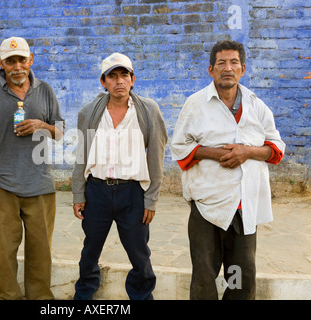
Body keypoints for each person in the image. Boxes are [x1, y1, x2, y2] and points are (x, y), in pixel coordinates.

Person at [170, 40, 286, 300]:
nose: (227, 68)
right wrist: (215, 152)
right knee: (204, 277)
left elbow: (277, 147)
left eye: (234, 62)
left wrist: (247, 152)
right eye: (221, 63)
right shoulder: (196, 104)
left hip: (244, 210)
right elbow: (179, 146)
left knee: (239, 278)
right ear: (211, 69)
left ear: (242, 69)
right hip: (207, 207)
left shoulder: (257, 106)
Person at [0, 36, 64, 300]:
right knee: (3, 252)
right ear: (1, 63)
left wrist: (42, 125)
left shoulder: (45, 91)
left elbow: (60, 131)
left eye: (22, 59)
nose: (17, 66)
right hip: (1, 186)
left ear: (30, 60)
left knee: (40, 252)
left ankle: (41, 300)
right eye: (10, 61)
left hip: (40, 185)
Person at [72, 52, 168, 300]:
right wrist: (78, 193)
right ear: (103, 82)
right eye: (111, 76)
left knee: (139, 253)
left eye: (124, 75)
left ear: (133, 79)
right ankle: (83, 296)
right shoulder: (89, 112)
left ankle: (142, 296)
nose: (119, 81)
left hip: (133, 193)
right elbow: (81, 155)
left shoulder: (147, 111)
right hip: (97, 191)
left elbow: (156, 156)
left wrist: (151, 199)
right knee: (90, 251)